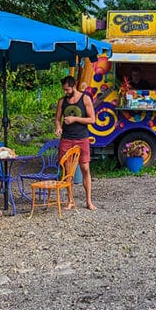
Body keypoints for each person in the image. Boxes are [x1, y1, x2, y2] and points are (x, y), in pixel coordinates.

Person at [55, 75, 97, 210]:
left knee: (85, 169)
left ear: (73, 87)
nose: (65, 92)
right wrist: (58, 127)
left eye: (67, 89)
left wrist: (75, 119)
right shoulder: (62, 101)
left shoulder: (85, 99)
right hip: (66, 138)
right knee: (68, 171)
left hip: (81, 138)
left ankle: (89, 201)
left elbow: (92, 120)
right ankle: (70, 200)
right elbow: (57, 119)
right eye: (64, 90)